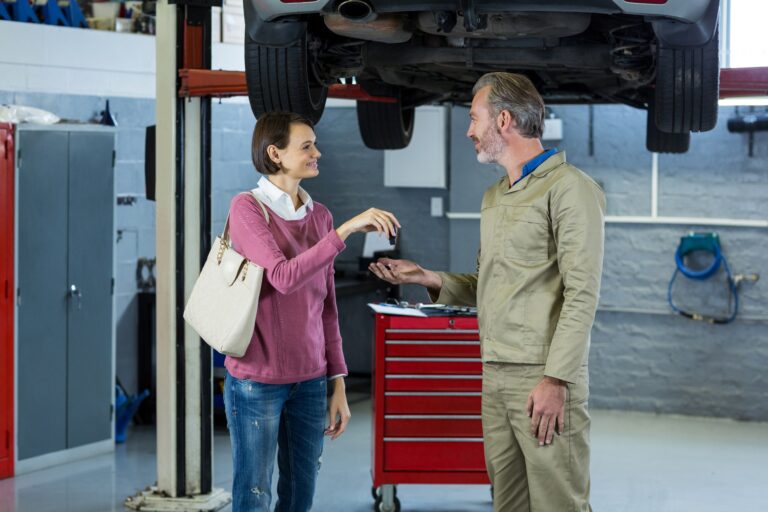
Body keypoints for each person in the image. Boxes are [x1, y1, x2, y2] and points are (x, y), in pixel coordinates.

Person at [369, 72, 605, 512]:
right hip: (495, 372)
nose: (469, 131)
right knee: (508, 502)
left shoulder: (570, 189)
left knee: (558, 502)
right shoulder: (495, 196)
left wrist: (556, 380)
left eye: (474, 118)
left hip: (541, 374)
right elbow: (491, 286)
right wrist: (426, 277)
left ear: (503, 120)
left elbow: (582, 293)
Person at [224, 111, 400, 512]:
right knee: (254, 496)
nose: (317, 152)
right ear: (276, 153)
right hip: (257, 382)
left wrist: (337, 383)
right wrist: (346, 232)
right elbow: (284, 277)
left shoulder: (319, 216)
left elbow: (327, 308)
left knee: (301, 495)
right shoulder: (248, 209)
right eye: (307, 146)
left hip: (309, 382)